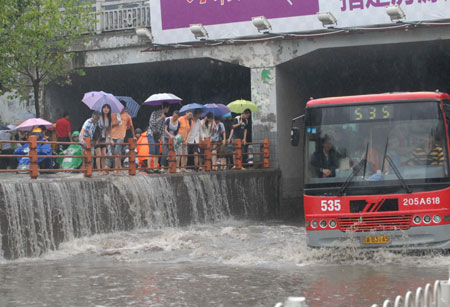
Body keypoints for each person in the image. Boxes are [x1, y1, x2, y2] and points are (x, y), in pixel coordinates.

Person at [111, 102, 135, 172]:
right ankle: (120, 167)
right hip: (113, 135)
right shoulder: (113, 114)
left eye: (122, 107)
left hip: (121, 136)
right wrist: (116, 123)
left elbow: (131, 126)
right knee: (113, 153)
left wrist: (133, 136)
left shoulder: (127, 116)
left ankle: (116, 169)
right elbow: (109, 125)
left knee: (117, 151)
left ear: (125, 108)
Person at [147, 102, 170, 172]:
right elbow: (151, 123)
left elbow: (162, 128)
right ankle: (148, 168)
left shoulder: (164, 116)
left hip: (158, 135)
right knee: (152, 150)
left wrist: (162, 137)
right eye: (168, 108)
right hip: (151, 133)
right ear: (165, 108)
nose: (168, 109)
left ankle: (155, 167)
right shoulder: (154, 113)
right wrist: (160, 117)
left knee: (157, 151)